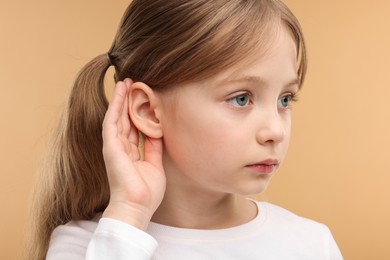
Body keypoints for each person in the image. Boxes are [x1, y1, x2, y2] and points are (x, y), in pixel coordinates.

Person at [27, 0, 343, 259]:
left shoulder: (312, 245)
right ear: (148, 111)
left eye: (284, 99)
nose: (275, 130)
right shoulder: (86, 246)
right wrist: (130, 211)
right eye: (241, 98)